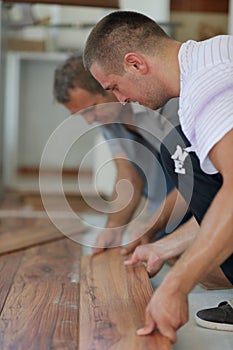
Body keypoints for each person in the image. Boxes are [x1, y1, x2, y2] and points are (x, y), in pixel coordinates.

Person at [83, 10, 233, 343]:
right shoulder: (214, 55)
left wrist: (177, 285)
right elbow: (221, 197)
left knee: (178, 154)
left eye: (115, 87)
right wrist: (163, 248)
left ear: (135, 63)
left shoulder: (206, 88)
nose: (119, 100)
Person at [53, 55, 190, 255]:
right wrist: (114, 229)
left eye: (91, 109)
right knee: (154, 246)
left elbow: (193, 180)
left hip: (200, 190)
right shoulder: (108, 119)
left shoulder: (163, 104)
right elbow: (129, 176)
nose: (90, 121)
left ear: (108, 87)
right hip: (165, 199)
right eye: (83, 115)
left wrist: (151, 227)